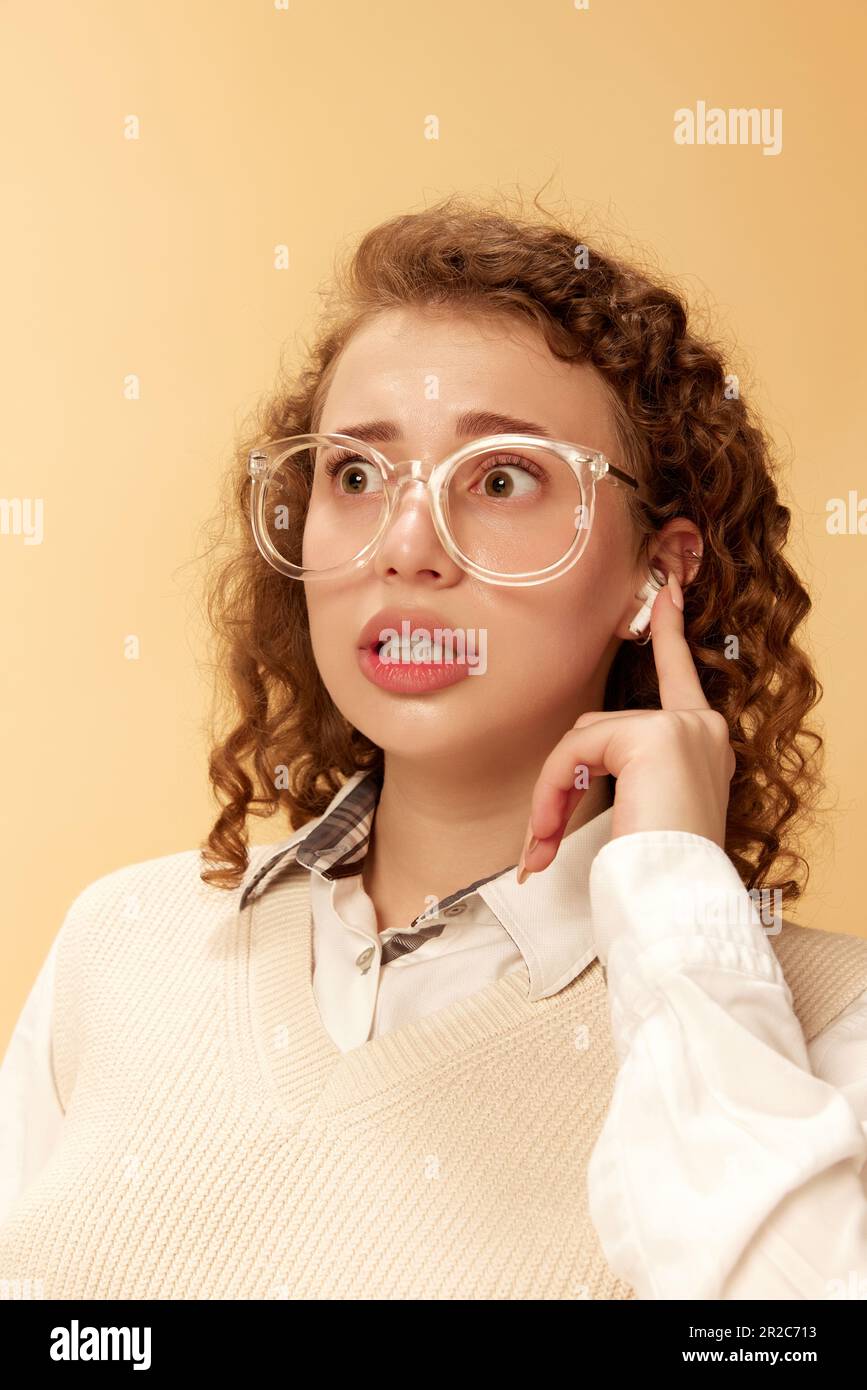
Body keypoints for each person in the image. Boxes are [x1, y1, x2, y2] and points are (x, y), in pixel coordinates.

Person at [2, 192, 866, 1301]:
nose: (406, 547)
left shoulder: (821, 1024)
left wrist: (681, 915)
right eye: (356, 476)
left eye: (501, 478)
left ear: (659, 570)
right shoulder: (123, 946)